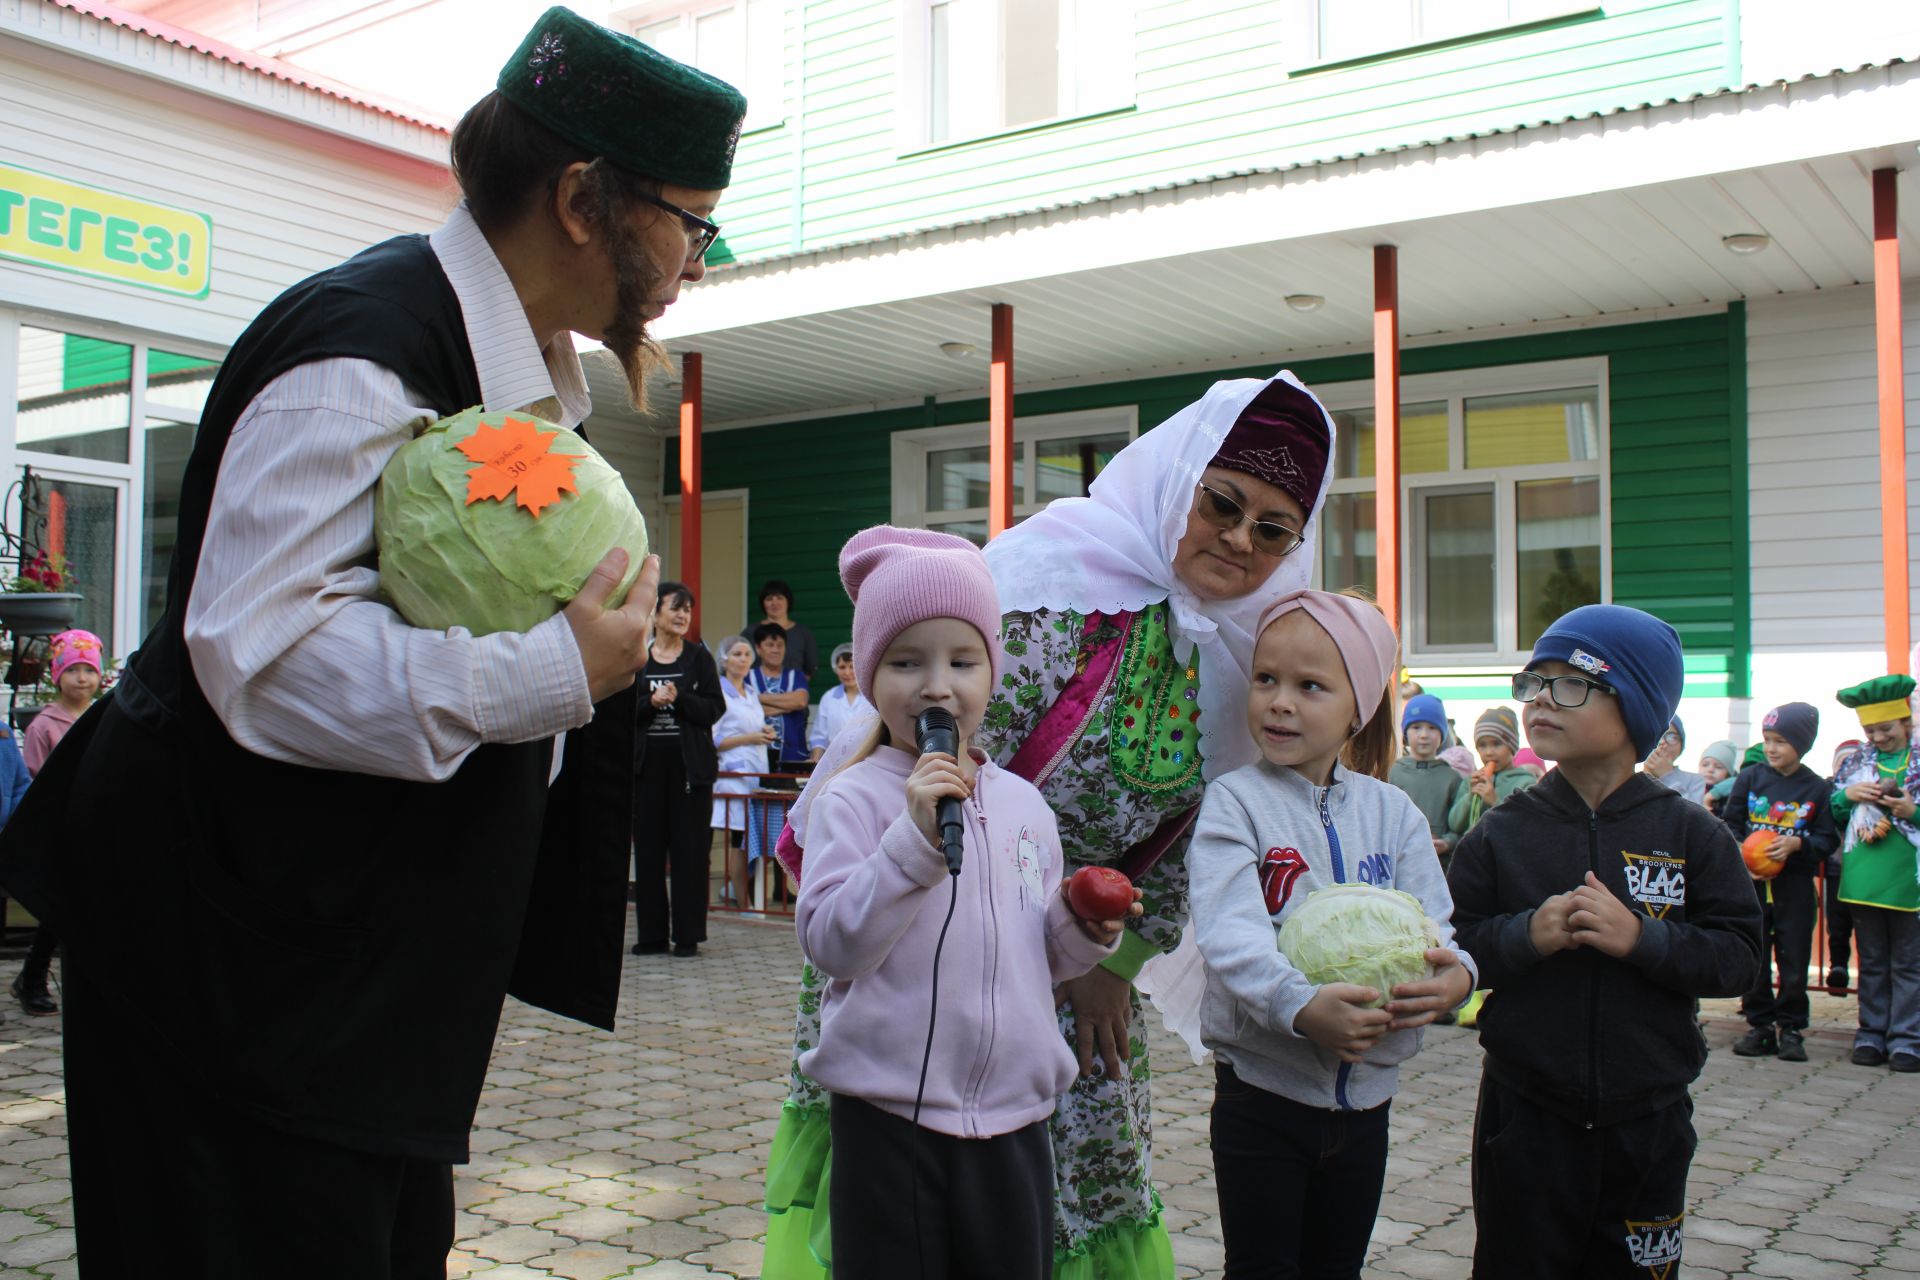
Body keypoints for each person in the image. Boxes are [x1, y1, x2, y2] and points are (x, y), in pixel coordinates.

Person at [0, 9, 734, 1271]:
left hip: (344, 1001)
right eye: (691, 221)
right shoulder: (364, 353)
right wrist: (558, 671)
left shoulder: (511, 374)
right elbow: (268, 658)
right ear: (580, 199)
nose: (696, 263)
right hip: (232, 985)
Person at [766, 371, 1337, 1280]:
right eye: (1223, 503)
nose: (1238, 540)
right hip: (914, 936)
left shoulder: (1252, 648)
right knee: (901, 1218)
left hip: (1075, 973)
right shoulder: (1044, 575)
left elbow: (1208, 827)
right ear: (1180, 476)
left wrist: (1116, 960)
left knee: (1046, 1212)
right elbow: (912, 733)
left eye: (1273, 529)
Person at [795, 526, 1133, 1280]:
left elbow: (1038, 959)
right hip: (889, 1118)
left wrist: (1082, 931)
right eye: (906, 662)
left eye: (962, 661)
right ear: (871, 677)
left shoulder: (1023, 806)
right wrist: (911, 844)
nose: (937, 686)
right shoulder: (851, 799)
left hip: (1014, 1119)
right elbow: (831, 944)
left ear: (992, 674)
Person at [1447, 604, 1762, 1279]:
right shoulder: (1502, 832)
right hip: (1525, 1118)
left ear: (1637, 707)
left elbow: (1738, 958)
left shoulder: (1692, 833)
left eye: (1570, 684)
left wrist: (1642, 939)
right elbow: (1456, 942)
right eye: (1534, 683)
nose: (1540, 702)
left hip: (1647, 1123)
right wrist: (1527, 935)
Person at [1189, 591, 1473, 1277]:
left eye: (1310, 686)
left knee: (1335, 1268)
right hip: (1261, 1097)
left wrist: (1456, 976)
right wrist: (1298, 1005)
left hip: (1366, 1105)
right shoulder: (1236, 803)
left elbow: (1436, 924)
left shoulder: (1394, 813)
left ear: (1361, 706)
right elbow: (1229, 933)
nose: (1280, 702)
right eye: (1266, 680)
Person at [1725, 702, 1836, 1062]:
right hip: (1752, 889)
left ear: (1802, 746)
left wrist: (1797, 844)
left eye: (1781, 742)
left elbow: (1827, 839)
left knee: (1794, 959)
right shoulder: (1751, 777)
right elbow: (1730, 823)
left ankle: (1791, 1028)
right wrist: (1744, 850)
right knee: (1755, 956)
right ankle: (1759, 1025)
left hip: (1796, 889)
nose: (1772, 748)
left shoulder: (1816, 788)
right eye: (1768, 740)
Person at [8, 629, 102, 1015]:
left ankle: (87, 979)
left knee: (91, 904)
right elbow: (34, 782)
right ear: (56, 675)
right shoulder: (42, 727)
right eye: (73, 670)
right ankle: (33, 974)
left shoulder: (104, 718)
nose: (82, 678)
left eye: (89, 670)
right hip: (60, 826)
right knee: (61, 905)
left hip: (96, 824)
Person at [1830, 675, 1920, 1071]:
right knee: (1873, 962)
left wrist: (1912, 812)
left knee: (1908, 964)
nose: (1878, 737)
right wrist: (1847, 795)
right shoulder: (1856, 765)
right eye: (1870, 730)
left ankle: (1907, 1039)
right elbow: (1831, 812)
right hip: (1864, 881)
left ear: (1906, 723)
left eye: (1885, 728)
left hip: (1907, 882)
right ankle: (1870, 1033)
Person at [633, 583, 724, 957]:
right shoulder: (638, 659)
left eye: (687, 609)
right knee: (649, 854)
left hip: (690, 772)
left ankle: (687, 936)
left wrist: (681, 698)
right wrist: (651, 701)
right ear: (655, 614)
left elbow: (714, 708)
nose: (683, 615)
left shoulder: (698, 659)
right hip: (646, 771)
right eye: (675, 608)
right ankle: (651, 936)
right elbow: (620, 712)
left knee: (689, 854)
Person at [712, 634, 778, 909]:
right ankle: (743, 903)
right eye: (737, 654)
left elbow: (752, 729)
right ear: (725, 659)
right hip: (733, 774)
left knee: (750, 839)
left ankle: (747, 900)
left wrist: (765, 732)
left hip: (754, 774)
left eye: (747, 655)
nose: (743, 659)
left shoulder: (750, 693)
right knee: (739, 840)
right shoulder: (717, 691)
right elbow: (713, 739)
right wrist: (749, 738)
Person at [1390, 692, 1462, 868]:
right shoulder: (1392, 772)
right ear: (1405, 732)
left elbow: (1461, 826)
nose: (1424, 735)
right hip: (1397, 863)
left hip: (1439, 867)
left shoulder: (1452, 777)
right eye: (1416, 727)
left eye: (1432, 727)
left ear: (1442, 734)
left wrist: (1447, 843)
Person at [1447, 706, 1535, 838]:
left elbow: (1526, 825)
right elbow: (1454, 824)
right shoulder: (1471, 781)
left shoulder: (1525, 782)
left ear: (1512, 746)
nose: (1489, 752)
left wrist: (1494, 801)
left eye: (1496, 744)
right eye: (1482, 745)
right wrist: (1471, 796)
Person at [1824, 739, 1864, 995]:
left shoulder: (1868, 787)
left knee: (1863, 924)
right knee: (1837, 922)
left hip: (1863, 868)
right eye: (1842, 762)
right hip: (1837, 866)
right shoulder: (1831, 789)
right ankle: (1838, 965)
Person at [750, 621, 810, 771]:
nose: (776, 650)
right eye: (770, 645)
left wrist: (757, 698)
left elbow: (801, 701)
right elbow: (747, 711)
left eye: (780, 645)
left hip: (793, 754)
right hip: (755, 755)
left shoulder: (796, 675)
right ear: (758, 648)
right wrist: (788, 705)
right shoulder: (747, 677)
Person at [808, 642, 870, 761]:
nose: (847, 672)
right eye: (842, 667)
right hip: (834, 763)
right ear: (835, 668)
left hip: (865, 762)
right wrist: (815, 761)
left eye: (852, 666)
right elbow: (820, 736)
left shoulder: (871, 696)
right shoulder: (829, 698)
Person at [759, 579, 819, 686]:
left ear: (788, 601)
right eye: (769, 599)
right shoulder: (750, 632)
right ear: (763, 603)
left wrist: (793, 687)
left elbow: (811, 668)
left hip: (794, 695)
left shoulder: (803, 634)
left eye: (779, 598)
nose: (774, 603)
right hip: (757, 697)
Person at [1643, 715, 1706, 803]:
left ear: (1681, 746)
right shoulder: (1629, 778)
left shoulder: (1694, 780)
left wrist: (1667, 775)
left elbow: (1692, 814)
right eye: (1658, 735)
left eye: (1672, 737)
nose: (1662, 743)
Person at [1698, 739, 1739, 816]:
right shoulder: (1692, 787)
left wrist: (1714, 793)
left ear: (1728, 774)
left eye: (1718, 767)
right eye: (1705, 764)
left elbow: (1740, 780)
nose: (1710, 770)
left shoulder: (1732, 792)